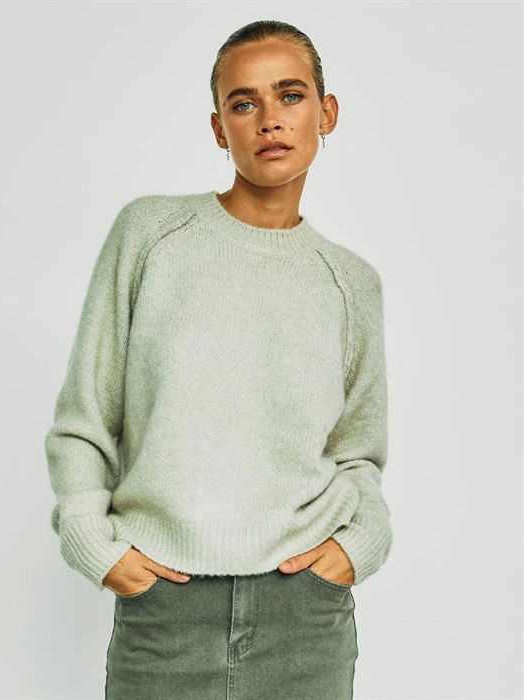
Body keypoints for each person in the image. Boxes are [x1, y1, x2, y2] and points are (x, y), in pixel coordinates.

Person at [45, 19, 393, 700]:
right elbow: (86, 419)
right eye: (243, 103)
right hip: (164, 612)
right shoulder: (150, 235)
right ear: (218, 128)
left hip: (305, 618)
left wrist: (360, 544)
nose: (269, 119)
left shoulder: (351, 282)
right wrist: (93, 540)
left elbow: (358, 451)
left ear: (326, 113)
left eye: (290, 95)